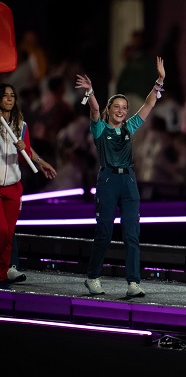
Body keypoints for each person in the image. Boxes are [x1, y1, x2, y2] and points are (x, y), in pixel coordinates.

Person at [74, 56, 166, 298]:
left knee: (132, 234)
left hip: (129, 182)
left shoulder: (129, 127)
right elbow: (94, 109)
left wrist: (159, 80)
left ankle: (133, 283)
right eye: (117, 107)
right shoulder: (100, 129)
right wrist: (92, 92)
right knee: (104, 231)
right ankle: (93, 277)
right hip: (107, 180)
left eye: (125, 108)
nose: (122, 111)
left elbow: (148, 105)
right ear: (109, 109)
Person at [0, 83, 57, 287]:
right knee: (2, 229)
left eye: (12, 95)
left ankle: (3, 273)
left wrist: (37, 160)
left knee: (8, 233)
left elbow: (25, 157)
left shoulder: (21, 125)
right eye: (5, 95)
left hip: (13, 185)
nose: (9, 98)